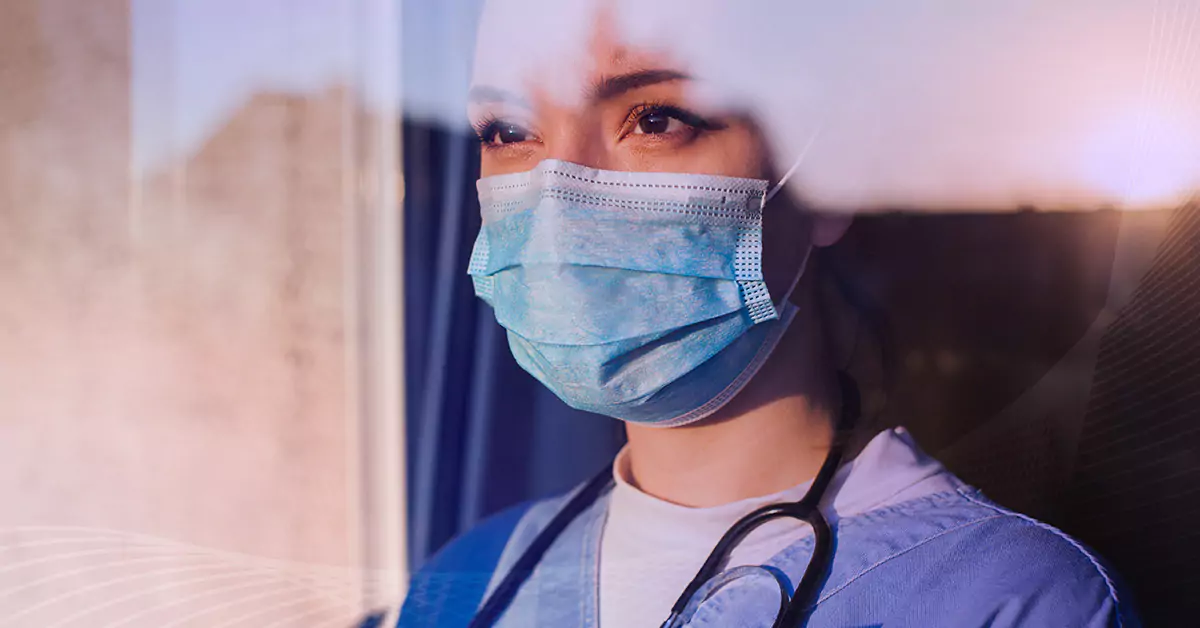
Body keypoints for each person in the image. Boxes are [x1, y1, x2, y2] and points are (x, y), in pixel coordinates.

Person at [397, 1, 1140, 626]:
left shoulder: (1009, 601)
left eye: (655, 118)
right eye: (509, 131)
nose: (560, 193)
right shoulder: (467, 583)